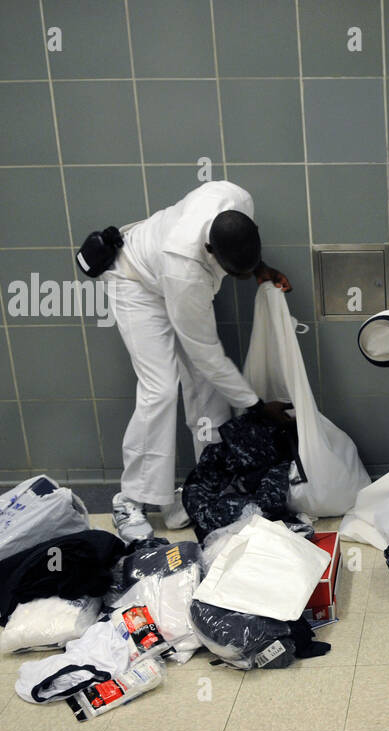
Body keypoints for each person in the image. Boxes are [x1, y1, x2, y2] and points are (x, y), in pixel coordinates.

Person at [102, 181, 292, 541]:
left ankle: (206, 488)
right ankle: (130, 501)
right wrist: (255, 406)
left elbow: (206, 366)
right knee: (160, 389)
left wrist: (258, 268)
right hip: (137, 283)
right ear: (209, 249)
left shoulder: (238, 198)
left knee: (205, 386)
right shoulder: (185, 269)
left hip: (168, 270)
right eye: (235, 272)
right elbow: (206, 354)